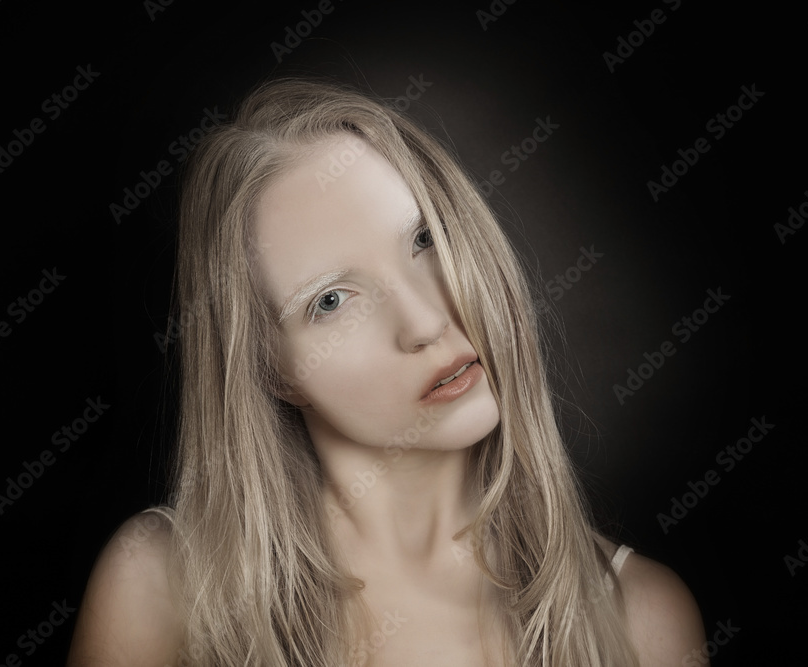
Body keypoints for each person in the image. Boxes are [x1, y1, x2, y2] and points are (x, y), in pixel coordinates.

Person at [67, 78, 706, 666]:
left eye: (425, 239)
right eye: (330, 301)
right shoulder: (159, 587)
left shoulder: (642, 621)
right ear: (270, 371)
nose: (425, 323)